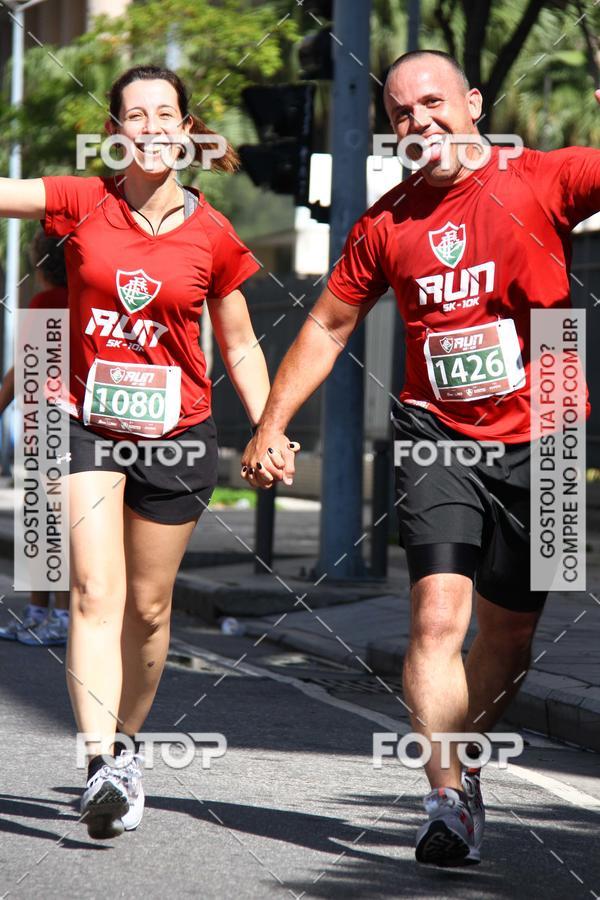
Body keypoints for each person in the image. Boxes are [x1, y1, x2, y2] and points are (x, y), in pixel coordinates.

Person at [242, 49, 600, 867]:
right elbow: (329, 326)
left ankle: (460, 765)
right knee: (437, 618)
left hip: (546, 429)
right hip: (436, 433)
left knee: (509, 638)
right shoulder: (388, 220)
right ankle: (444, 801)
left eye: (433, 103)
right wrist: (270, 422)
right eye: (402, 113)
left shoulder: (543, 179)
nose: (419, 122)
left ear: (473, 103)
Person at [0, 64, 296, 840]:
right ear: (117, 132)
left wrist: (269, 427)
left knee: (150, 609)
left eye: (167, 113)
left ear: (185, 128)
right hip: (87, 423)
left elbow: (239, 344)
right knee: (96, 592)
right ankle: (99, 763)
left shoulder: (213, 233)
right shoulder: (80, 201)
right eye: (137, 114)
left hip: (179, 433)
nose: (153, 126)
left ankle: (126, 746)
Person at [0, 232, 70, 646]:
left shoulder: (46, 302)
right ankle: (43, 613)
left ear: (39, 265)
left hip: (50, 422)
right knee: (49, 520)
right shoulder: (84, 300)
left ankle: (51, 614)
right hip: (64, 420)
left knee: (49, 522)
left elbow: (21, 369)